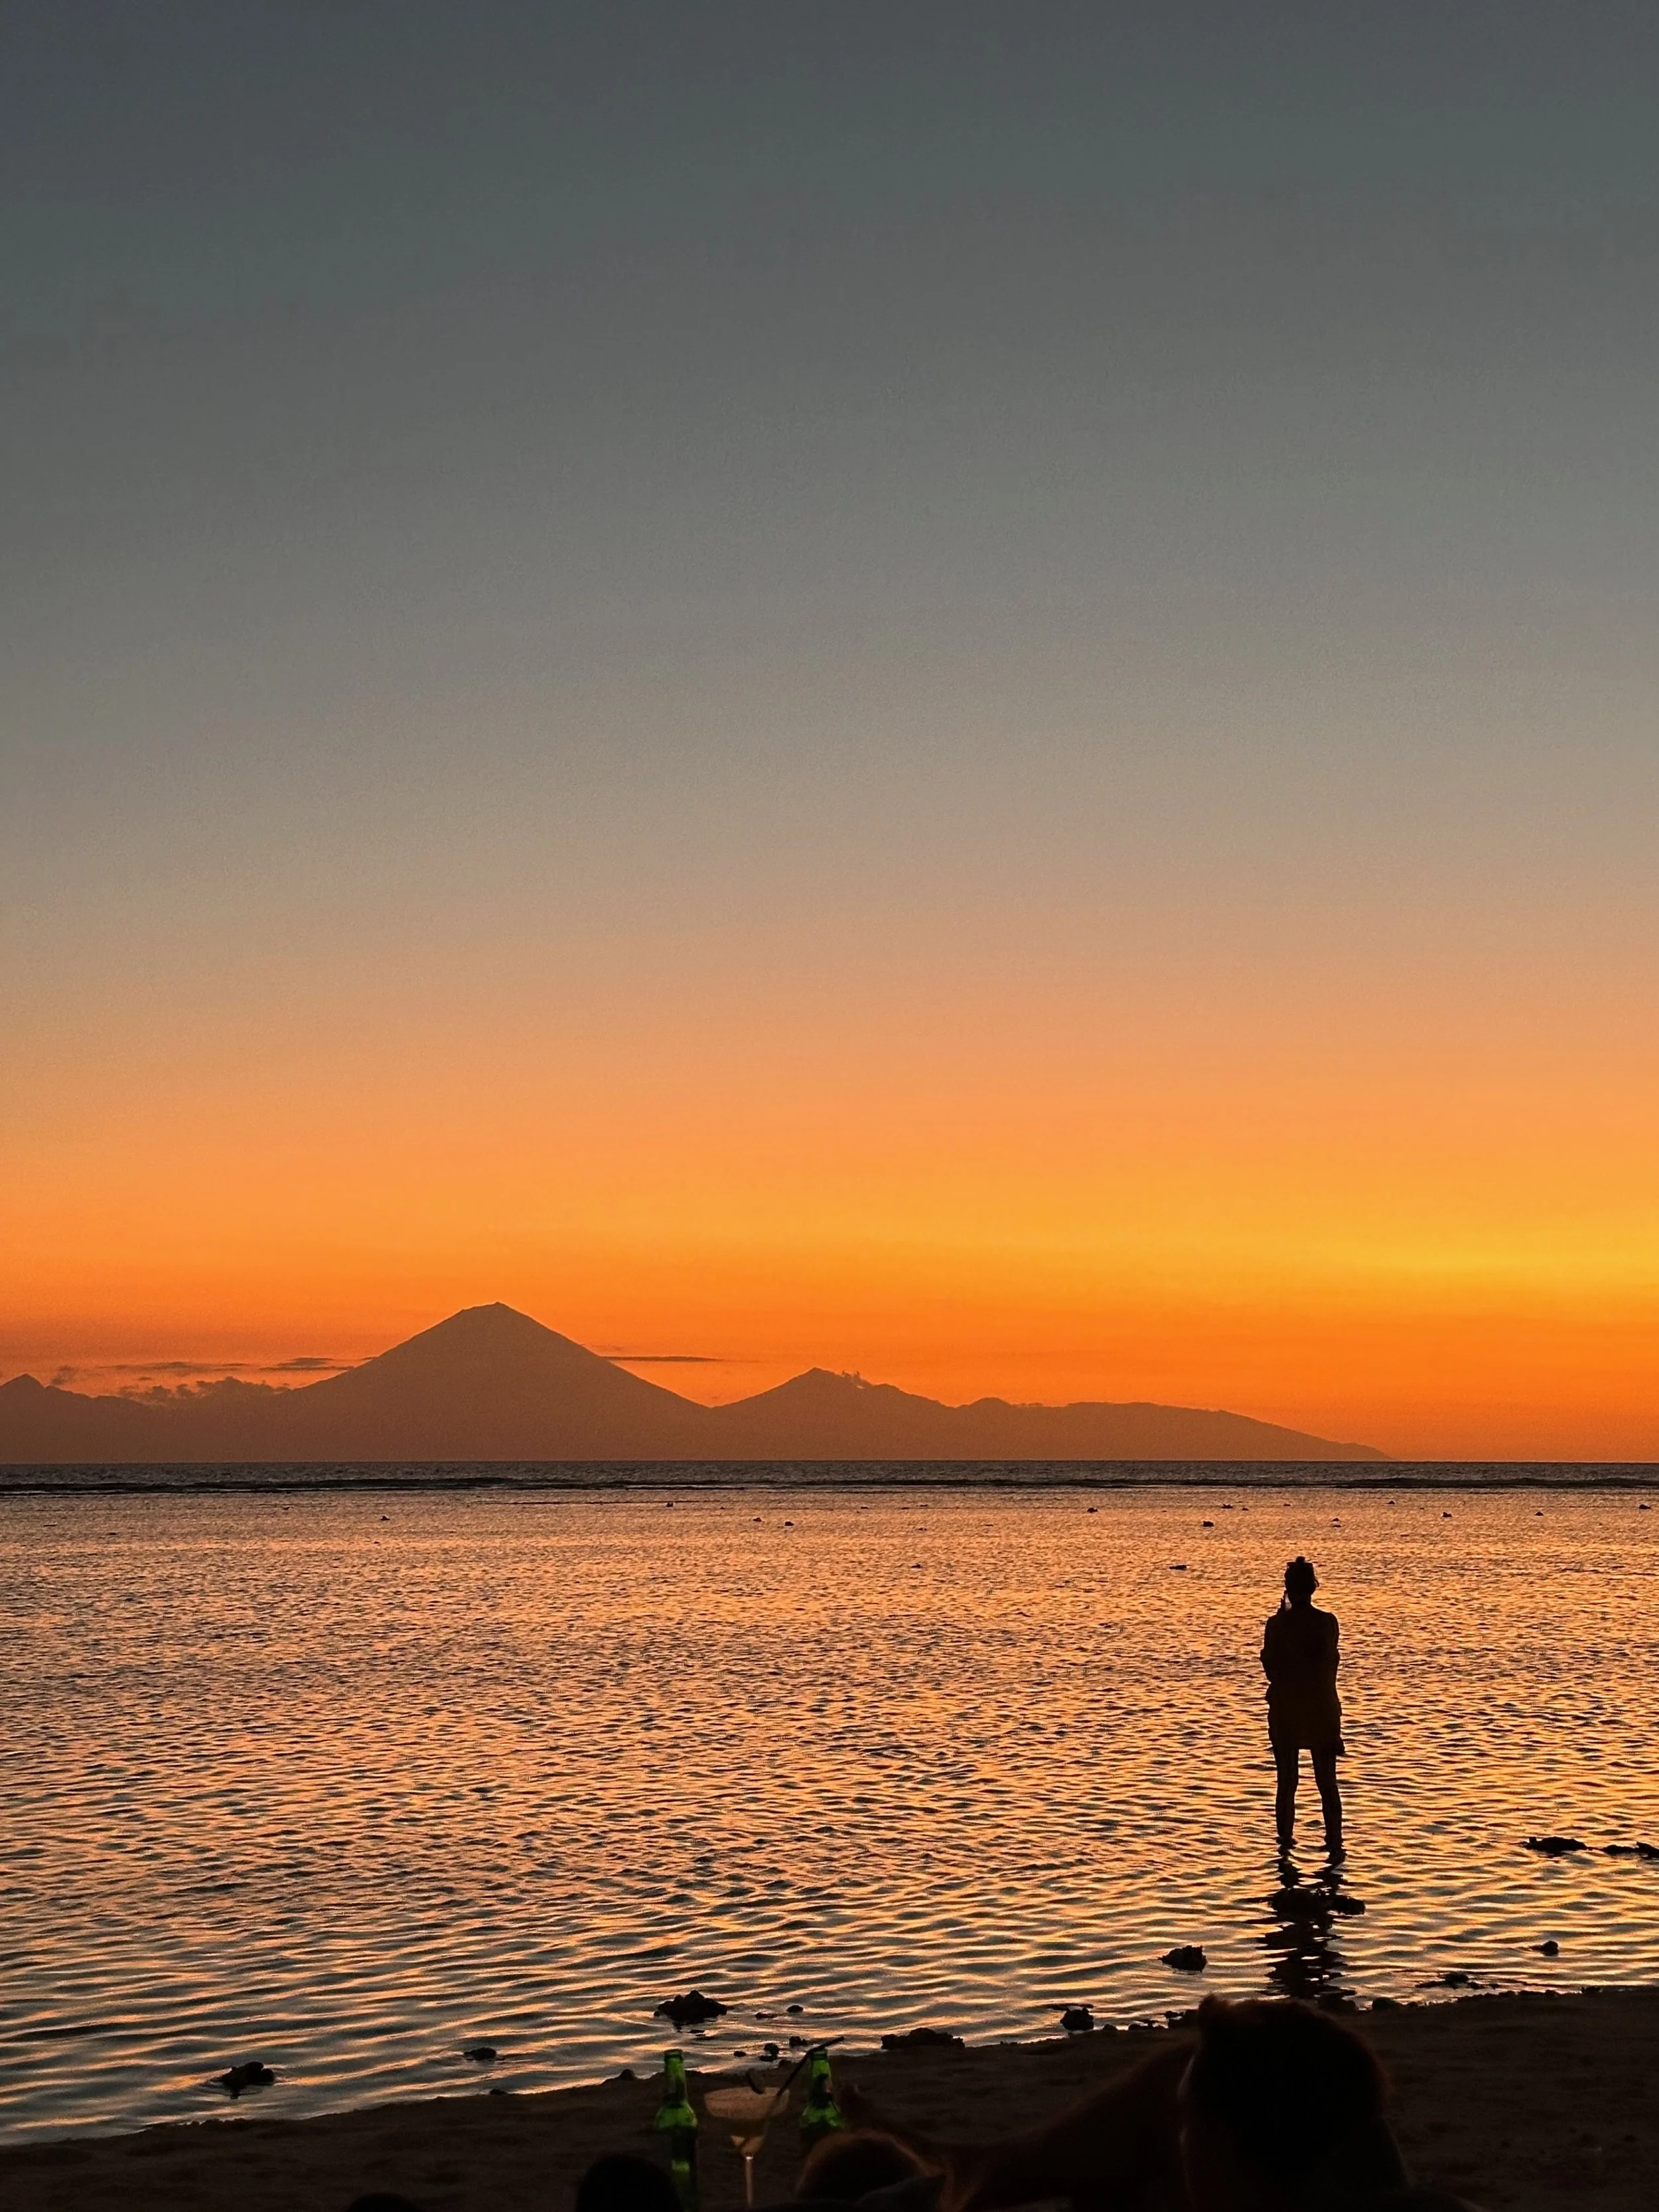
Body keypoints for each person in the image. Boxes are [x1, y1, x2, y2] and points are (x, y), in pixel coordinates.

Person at [1262, 1558, 1344, 1858]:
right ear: (1312, 1588)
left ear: (1288, 1588)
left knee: (1287, 1783)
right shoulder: (1327, 1623)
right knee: (1327, 1784)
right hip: (1322, 1709)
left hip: (1286, 1710)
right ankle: (1335, 1846)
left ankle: (1284, 1847)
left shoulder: (1276, 1625)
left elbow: (1271, 1668)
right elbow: (1328, 1664)